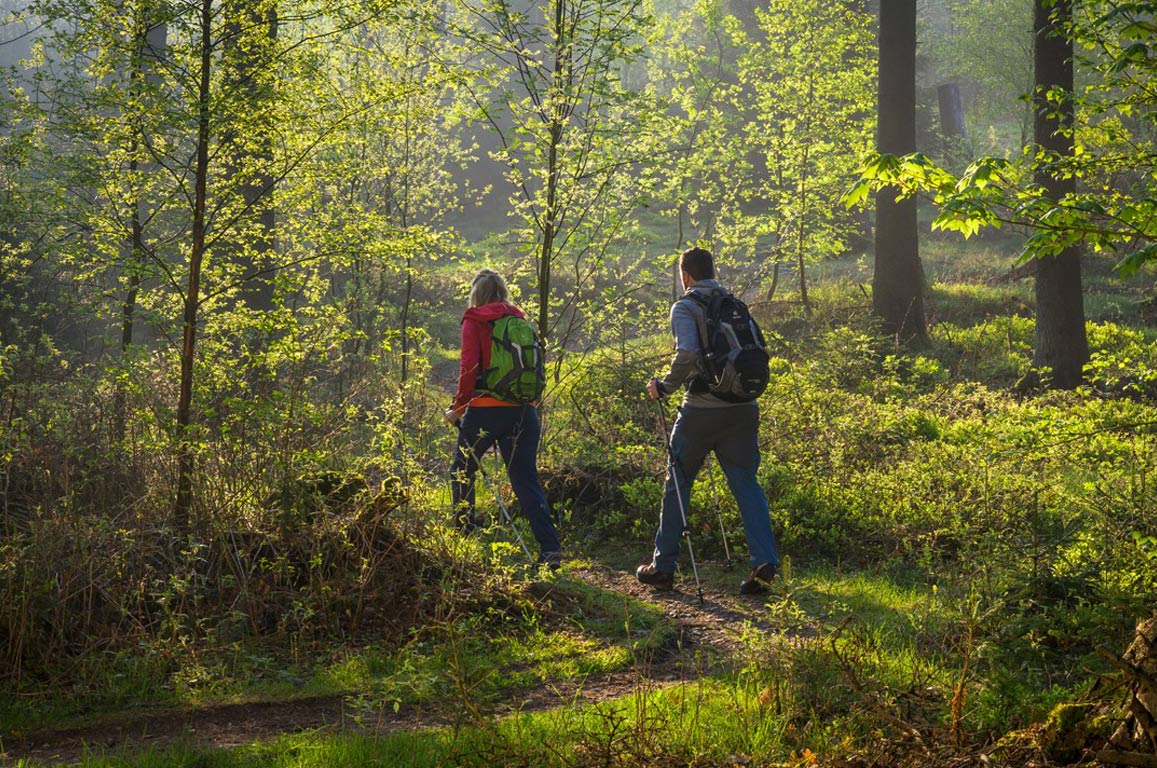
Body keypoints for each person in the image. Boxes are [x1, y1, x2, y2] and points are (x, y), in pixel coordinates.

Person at [637, 247, 781, 595]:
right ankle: (764, 561)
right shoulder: (734, 304)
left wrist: (664, 386)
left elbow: (686, 353)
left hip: (701, 411)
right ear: (712, 271)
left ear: (685, 274)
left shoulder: (686, 306)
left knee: (678, 482)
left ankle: (663, 566)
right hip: (744, 408)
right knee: (747, 484)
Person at [444, 269, 562, 569]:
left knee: (462, 470)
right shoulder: (519, 320)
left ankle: (463, 540)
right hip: (524, 410)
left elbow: (469, 367)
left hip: (485, 410)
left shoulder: (475, 320)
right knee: (525, 479)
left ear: (477, 294)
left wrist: (458, 408)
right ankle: (550, 550)